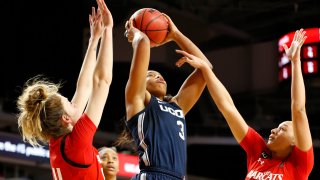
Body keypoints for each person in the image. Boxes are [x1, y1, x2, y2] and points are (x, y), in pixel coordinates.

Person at [174, 28, 314, 179]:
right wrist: (206, 70)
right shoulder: (258, 151)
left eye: (282, 129)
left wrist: (295, 62)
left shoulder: (300, 164)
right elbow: (228, 108)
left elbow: (298, 109)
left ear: (295, 141)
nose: (273, 130)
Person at [16, 0, 113, 179]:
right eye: (69, 102)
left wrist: (94, 39)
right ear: (66, 119)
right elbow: (102, 82)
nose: (73, 102)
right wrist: (108, 30)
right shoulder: (76, 143)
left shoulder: (59, 140)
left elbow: (84, 86)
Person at [117, 14, 212, 180]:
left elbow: (206, 69)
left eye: (159, 74)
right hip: (152, 175)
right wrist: (136, 34)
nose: (158, 76)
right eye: (150, 74)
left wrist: (176, 35)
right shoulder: (138, 100)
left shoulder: (177, 106)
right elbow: (144, 43)